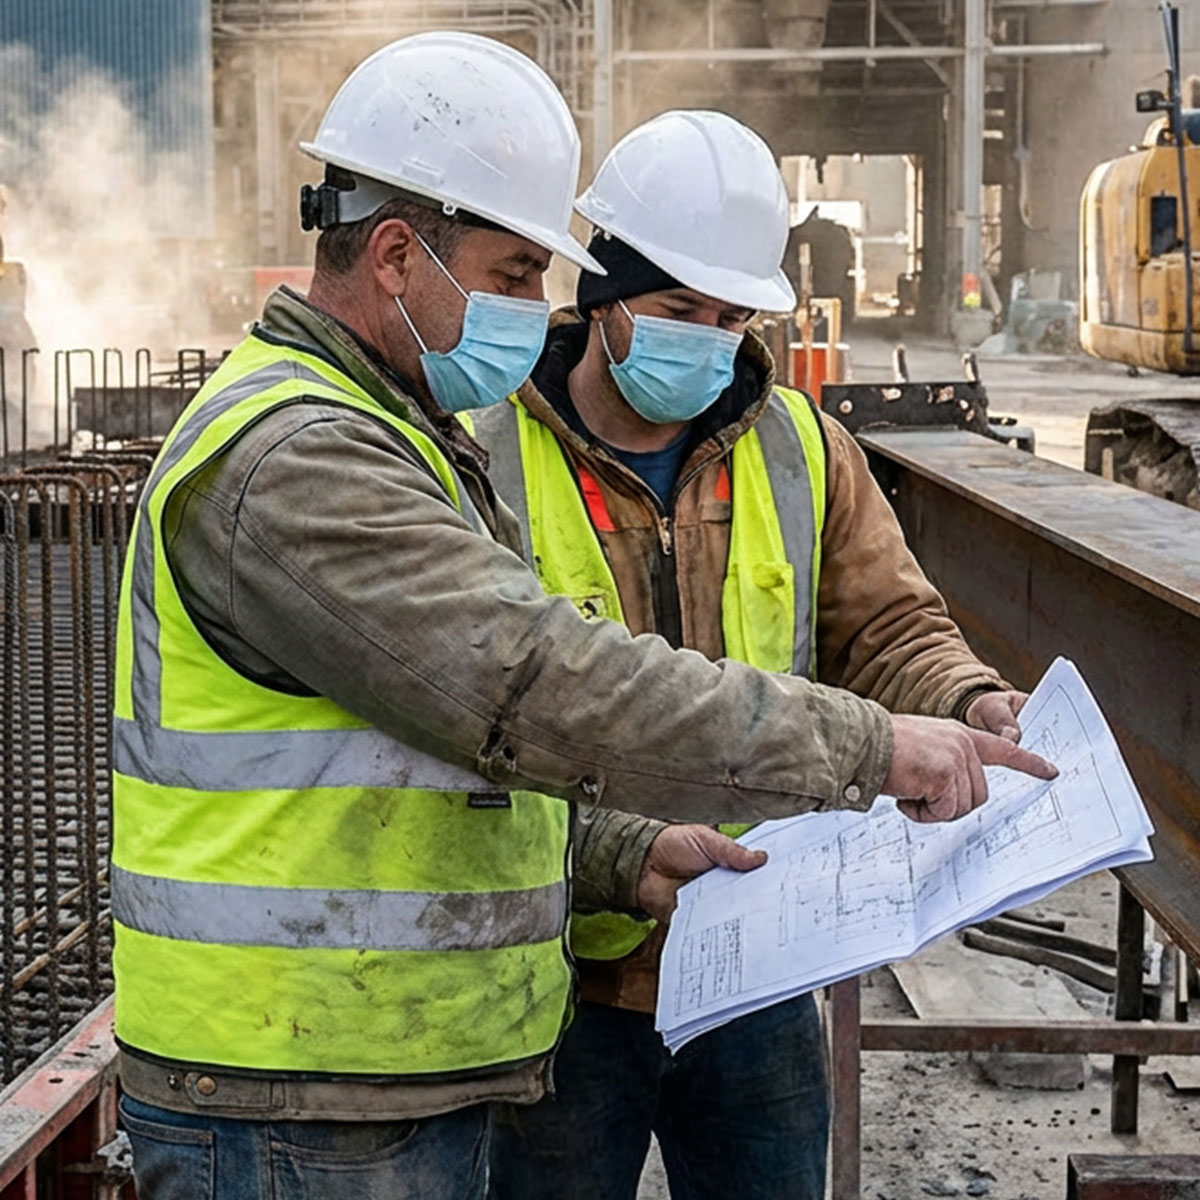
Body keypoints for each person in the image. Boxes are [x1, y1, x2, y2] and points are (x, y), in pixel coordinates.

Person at [110, 38, 1054, 1200]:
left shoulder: (413, 432)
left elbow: (423, 753)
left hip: (392, 1053)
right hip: (301, 1081)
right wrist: (870, 747)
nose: (531, 307)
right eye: (512, 275)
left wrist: (619, 849)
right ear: (399, 255)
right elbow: (531, 683)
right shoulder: (310, 458)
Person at [477, 109, 1037, 1200]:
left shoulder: (800, 445)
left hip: (763, 964)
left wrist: (964, 698)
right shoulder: (486, 445)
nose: (710, 334)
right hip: (562, 969)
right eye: (679, 307)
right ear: (602, 296)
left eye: (730, 314)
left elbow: (886, 627)